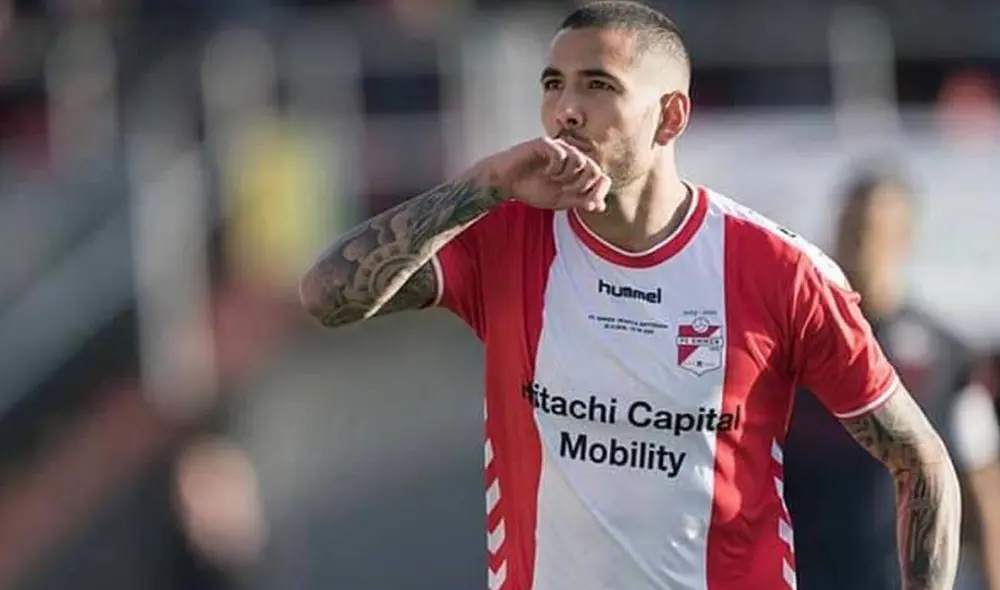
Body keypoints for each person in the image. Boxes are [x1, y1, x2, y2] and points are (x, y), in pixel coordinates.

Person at [298, 2, 962, 588]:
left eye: (598, 85)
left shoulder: (779, 270)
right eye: (553, 85)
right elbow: (329, 296)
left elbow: (920, 459)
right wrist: (484, 183)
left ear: (670, 116)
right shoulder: (503, 237)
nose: (566, 110)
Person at [784, 171, 1000, 590]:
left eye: (872, 230)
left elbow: (983, 481)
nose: (859, 244)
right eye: (850, 227)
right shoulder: (789, 344)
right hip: (798, 572)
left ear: (904, 237)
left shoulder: (946, 356)